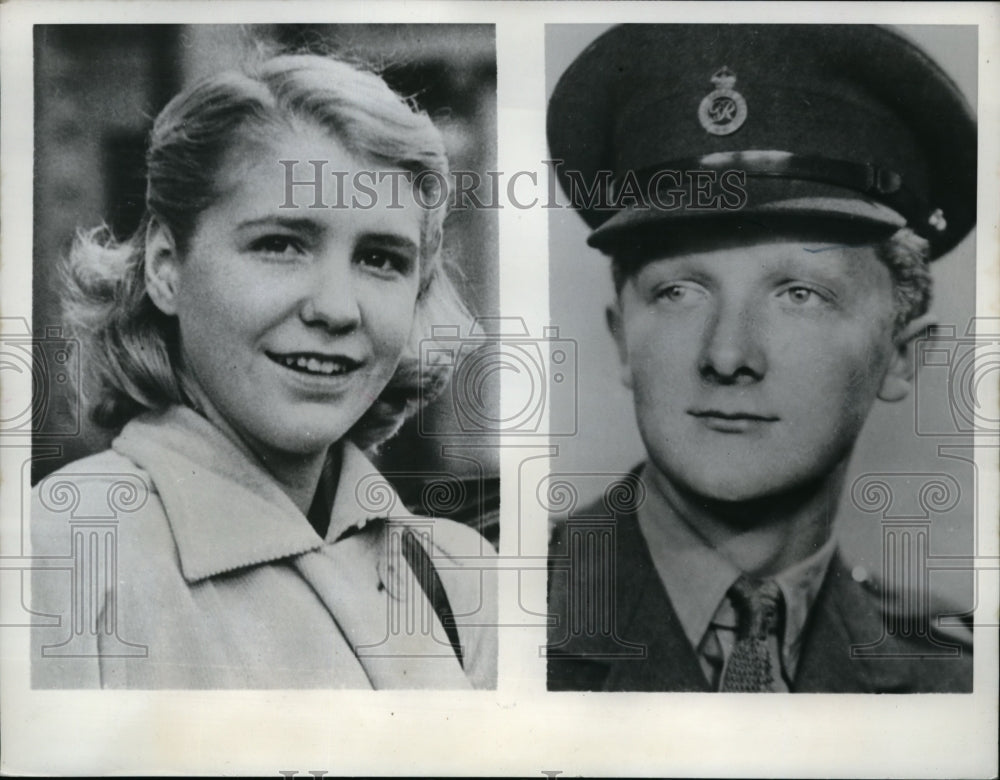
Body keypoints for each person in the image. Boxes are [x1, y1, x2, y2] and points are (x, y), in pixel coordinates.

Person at [31, 52, 496, 689]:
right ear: (167, 267)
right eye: (280, 244)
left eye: (382, 259)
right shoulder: (59, 555)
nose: (336, 308)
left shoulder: (461, 576)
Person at [546, 24, 975, 692]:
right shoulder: (473, 613)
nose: (727, 354)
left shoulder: (954, 680)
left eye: (799, 294)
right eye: (679, 291)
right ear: (622, 339)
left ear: (901, 357)